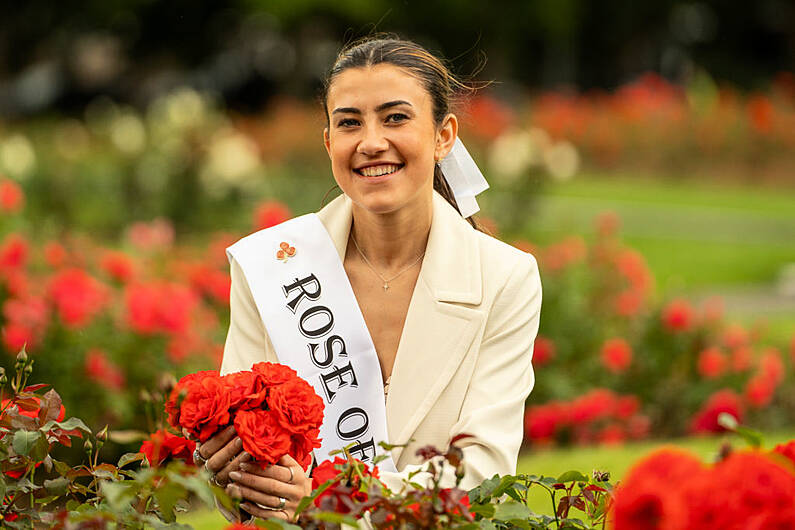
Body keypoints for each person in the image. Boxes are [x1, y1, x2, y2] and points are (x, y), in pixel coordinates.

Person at [193, 36, 542, 523]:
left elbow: (479, 476)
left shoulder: (504, 278)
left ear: (444, 136)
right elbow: (237, 481)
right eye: (349, 122)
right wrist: (224, 467)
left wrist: (327, 500)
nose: (371, 142)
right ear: (329, 141)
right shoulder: (270, 267)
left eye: (395, 117)